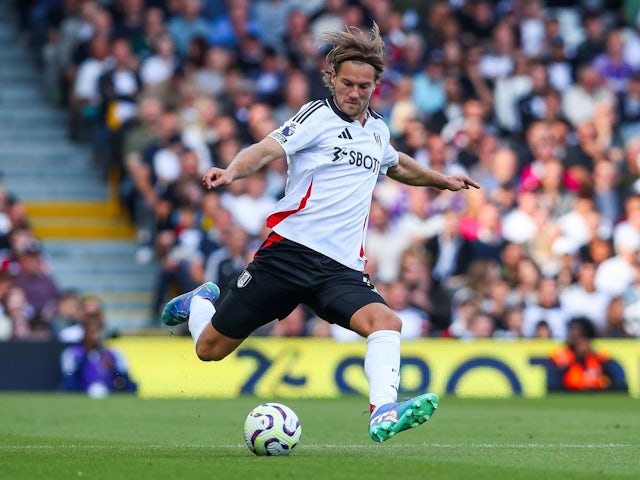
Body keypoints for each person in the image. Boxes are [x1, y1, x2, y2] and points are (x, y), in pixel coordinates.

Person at [161, 23, 479, 443]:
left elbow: (398, 163)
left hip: (341, 268)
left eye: (364, 86)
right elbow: (267, 149)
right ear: (332, 78)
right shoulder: (316, 117)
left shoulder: (378, 131)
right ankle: (202, 300)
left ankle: (383, 411)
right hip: (288, 255)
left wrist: (442, 180)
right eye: (347, 83)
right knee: (208, 350)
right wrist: (232, 171)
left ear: (376, 85)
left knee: (386, 322)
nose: (354, 92)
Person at [548, 316, 628, 392]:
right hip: (570, 393)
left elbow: (619, 382)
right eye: (571, 331)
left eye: (581, 337)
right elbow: (553, 384)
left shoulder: (598, 357)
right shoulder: (562, 356)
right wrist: (576, 358)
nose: (572, 335)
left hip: (596, 394)